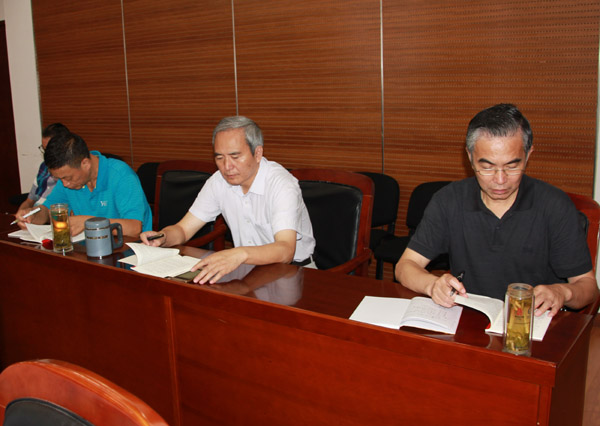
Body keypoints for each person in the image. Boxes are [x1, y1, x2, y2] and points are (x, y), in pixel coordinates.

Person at [395, 103, 598, 317]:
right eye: (487, 167)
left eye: (512, 166)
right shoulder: (449, 200)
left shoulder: (554, 205)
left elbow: (588, 287)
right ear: (470, 157)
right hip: (468, 320)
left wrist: (562, 292)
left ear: (528, 154)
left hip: (532, 323)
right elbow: (405, 266)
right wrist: (432, 285)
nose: (500, 180)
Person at [140, 116, 315, 285]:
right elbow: (183, 230)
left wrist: (239, 254)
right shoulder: (218, 182)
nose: (227, 166)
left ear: (257, 153)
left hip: (293, 273)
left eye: (235, 156)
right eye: (219, 158)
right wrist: (163, 237)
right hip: (247, 269)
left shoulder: (281, 184)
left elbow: (285, 250)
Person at [16, 131, 152, 237]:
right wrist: (33, 215)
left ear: (85, 163)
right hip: (87, 248)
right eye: (59, 179)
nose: (64, 184)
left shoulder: (121, 175)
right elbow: (48, 210)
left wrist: (88, 223)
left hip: (126, 251)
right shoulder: (67, 180)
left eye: (67, 178)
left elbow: (134, 228)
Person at [15, 123, 70, 216]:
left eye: (49, 149)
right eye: (44, 149)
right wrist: (21, 214)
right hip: (36, 214)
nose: (46, 154)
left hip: (53, 216)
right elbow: (29, 201)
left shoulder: (70, 174)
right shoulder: (43, 167)